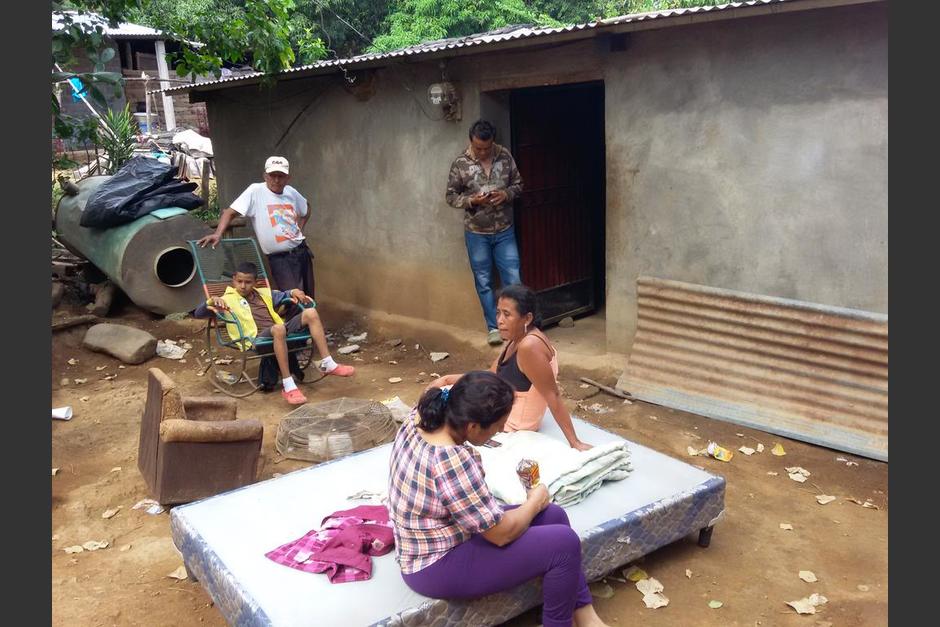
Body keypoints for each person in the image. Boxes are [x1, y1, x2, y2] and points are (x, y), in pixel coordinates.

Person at [388, 371, 610, 627]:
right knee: (564, 543)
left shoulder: (422, 414)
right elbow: (501, 533)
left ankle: (584, 615)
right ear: (472, 426)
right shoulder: (451, 460)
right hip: (434, 564)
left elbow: (444, 385)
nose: (502, 430)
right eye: (496, 426)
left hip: (447, 532)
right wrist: (533, 502)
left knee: (555, 516)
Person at [428, 284, 592, 451]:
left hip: (516, 422)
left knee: (448, 409)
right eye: (498, 312)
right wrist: (447, 379)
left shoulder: (529, 346)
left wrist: (574, 442)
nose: (499, 320)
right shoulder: (517, 339)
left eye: (507, 314)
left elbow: (553, 395)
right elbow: (491, 375)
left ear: (527, 318)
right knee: (446, 391)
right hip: (506, 409)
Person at [193, 261, 354, 404]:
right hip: (254, 338)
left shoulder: (264, 293)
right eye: (239, 281)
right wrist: (211, 300)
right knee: (278, 329)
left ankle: (328, 363)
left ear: (255, 282)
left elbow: (284, 294)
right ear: (233, 279)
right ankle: (288, 385)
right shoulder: (226, 299)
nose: (243, 286)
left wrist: (293, 292)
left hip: (279, 332)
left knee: (310, 313)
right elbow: (199, 314)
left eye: (248, 282)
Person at [446, 119, 524, 347]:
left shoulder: (505, 156)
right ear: (471, 141)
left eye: (486, 148)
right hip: (476, 232)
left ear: (493, 142)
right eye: (478, 148)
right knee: (484, 281)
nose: (482, 152)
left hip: (504, 230)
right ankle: (494, 328)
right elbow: (450, 196)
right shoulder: (460, 163)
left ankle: (519, 328)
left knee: (513, 279)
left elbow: (519, 184)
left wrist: (506, 195)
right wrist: (472, 200)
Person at [197, 156, 316, 296]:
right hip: (280, 258)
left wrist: (300, 229)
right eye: (272, 175)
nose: (276, 180)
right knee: (293, 297)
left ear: (288, 177)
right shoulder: (255, 191)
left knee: (308, 296)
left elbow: (306, 208)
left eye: (281, 176)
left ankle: (307, 317)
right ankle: (296, 317)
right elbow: (229, 213)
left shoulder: (291, 192)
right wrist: (218, 233)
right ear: (265, 175)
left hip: (301, 251)